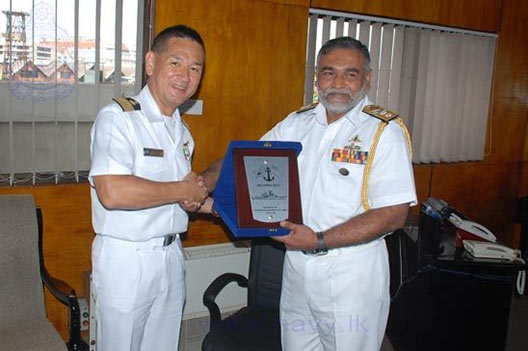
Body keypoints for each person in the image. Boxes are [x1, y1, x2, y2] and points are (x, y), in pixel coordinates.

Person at [202, 37, 416, 351]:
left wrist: (318, 240)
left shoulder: (384, 131)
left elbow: (395, 214)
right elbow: (244, 161)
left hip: (350, 276)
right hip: (297, 271)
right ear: (317, 77)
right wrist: (202, 183)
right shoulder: (297, 122)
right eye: (329, 73)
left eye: (350, 74)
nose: (339, 83)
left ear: (367, 78)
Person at [89, 25, 212, 351]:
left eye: (195, 68)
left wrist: (213, 205)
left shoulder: (183, 134)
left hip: (170, 255)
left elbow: (181, 195)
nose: (185, 76)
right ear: (150, 63)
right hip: (127, 259)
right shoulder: (119, 118)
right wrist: (183, 192)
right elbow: (113, 192)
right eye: (176, 63)